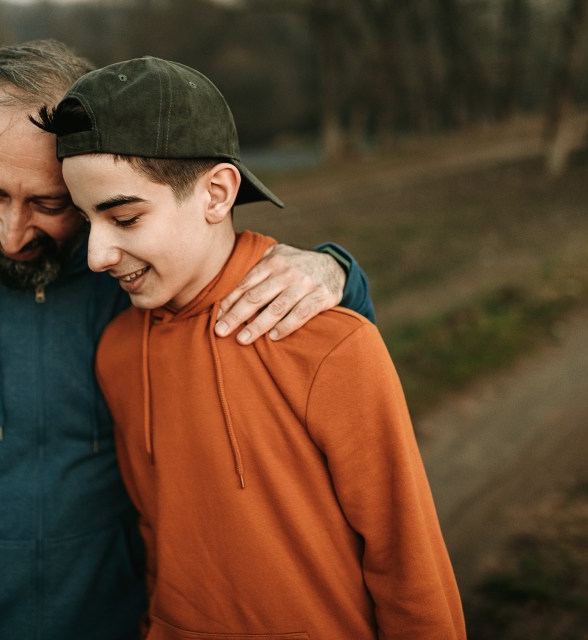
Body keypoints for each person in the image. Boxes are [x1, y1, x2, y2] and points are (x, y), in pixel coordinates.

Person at [0, 41, 374, 640]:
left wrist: (338, 273)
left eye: (48, 204)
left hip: (122, 623)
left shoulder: (133, 277)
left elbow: (303, 343)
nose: (14, 235)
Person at [39, 56, 465, 639]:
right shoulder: (116, 352)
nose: (96, 255)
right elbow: (157, 543)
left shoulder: (329, 344)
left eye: (126, 218)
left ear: (217, 193)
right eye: (88, 220)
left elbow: (410, 568)